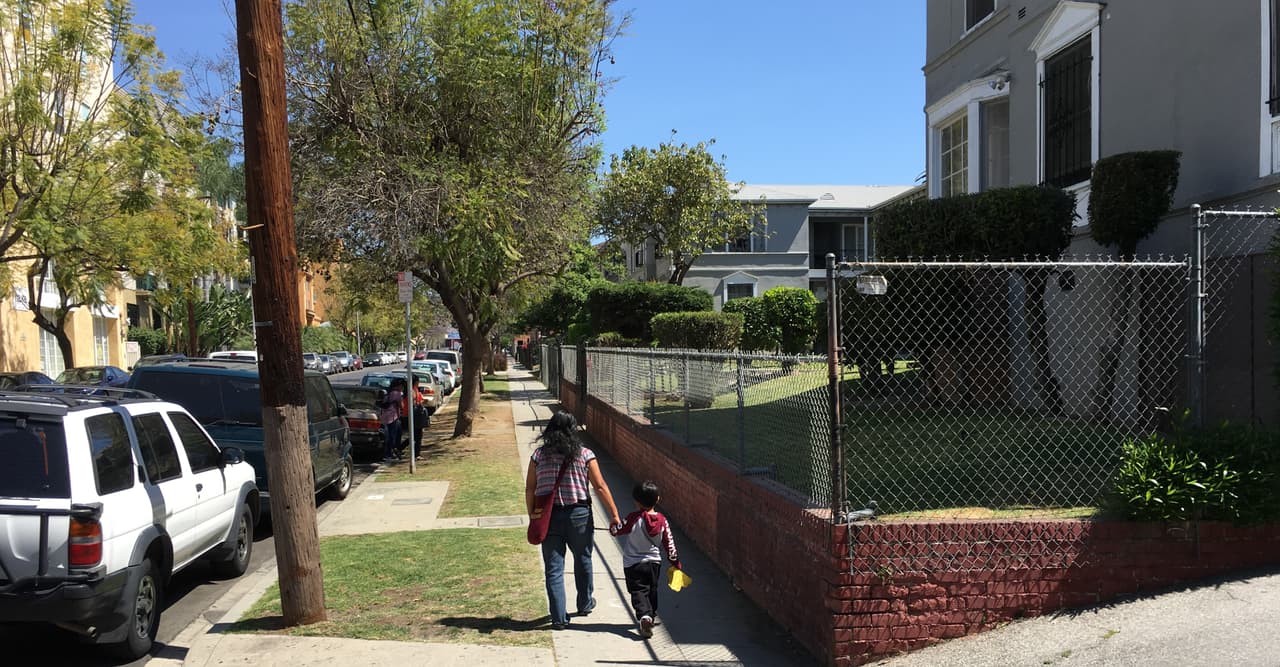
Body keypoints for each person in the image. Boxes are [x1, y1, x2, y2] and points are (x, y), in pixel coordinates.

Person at [524, 410, 621, 630]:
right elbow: (600, 486)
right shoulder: (585, 455)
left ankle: (558, 617)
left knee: (554, 568)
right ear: (573, 429)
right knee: (583, 558)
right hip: (579, 515)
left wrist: (533, 514)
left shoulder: (538, 456)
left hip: (549, 516)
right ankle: (585, 602)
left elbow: (530, 488)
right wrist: (614, 514)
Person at [609, 480, 681, 638]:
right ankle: (651, 615)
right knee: (652, 590)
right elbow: (670, 543)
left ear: (636, 501)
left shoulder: (633, 518)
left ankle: (644, 616)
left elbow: (617, 530)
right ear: (658, 499)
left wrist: (613, 526)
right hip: (654, 563)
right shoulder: (662, 520)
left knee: (638, 591)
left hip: (633, 564)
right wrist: (676, 564)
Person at [380, 379, 404, 463]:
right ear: (398, 386)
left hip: (385, 416)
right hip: (393, 417)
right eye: (401, 386)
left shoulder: (388, 392)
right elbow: (402, 406)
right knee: (393, 436)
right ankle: (390, 453)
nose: (402, 388)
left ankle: (387, 453)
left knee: (387, 436)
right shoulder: (397, 394)